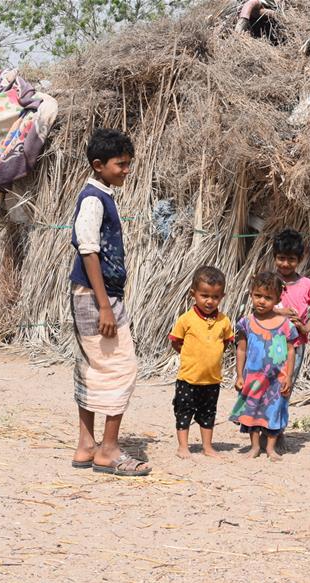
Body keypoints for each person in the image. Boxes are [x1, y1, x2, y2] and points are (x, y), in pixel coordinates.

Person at [68, 128, 150, 477]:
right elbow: (88, 250)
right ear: (98, 165)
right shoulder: (93, 200)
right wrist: (104, 305)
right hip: (96, 297)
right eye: (121, 164)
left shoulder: (103, 194)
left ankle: (87, 445)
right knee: (121, 368)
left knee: (93, 366)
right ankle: (109, 450)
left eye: (129, 163)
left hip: (94, 296)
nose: (127, 170)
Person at [229, 272, 299, 461]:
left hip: (277, 380)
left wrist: (289, 376)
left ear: (277, 299)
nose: (262, 301)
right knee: (253, 411)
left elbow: (291, 351)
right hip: (253, 378)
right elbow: (241, 350)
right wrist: (239, 375)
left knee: (274, 411)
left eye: (268, 298)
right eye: (258, 295)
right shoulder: (246, 323)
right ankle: (254, 447)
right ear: (251, 294)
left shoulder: (285, 325)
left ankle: (270, 448)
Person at [168, 266, 234, 460]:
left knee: (208, 413)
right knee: (184, 411)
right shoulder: (186, 319)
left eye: (215, 297)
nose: (209, 301)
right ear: (193, 294)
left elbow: (227, 342)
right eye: (204, 295)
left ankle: (207, 446)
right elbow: (175, 341)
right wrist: (189, 355)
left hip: (212, 380)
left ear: (222, 296)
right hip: (188, 378)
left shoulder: (224, 321)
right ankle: (183, 446)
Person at [271, 229, 310, 451]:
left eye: (291, 259)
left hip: (296, 346)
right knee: (268, 386)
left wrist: (305, 327)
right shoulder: (269, 281)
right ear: (274, 257)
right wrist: (280, 312)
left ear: (299, 259)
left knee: (285, 387)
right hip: (271, 343)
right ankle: (263, 430)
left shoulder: (307, 284)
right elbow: (259, 306)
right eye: (281, 258)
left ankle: (278, 432)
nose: (285, 264)